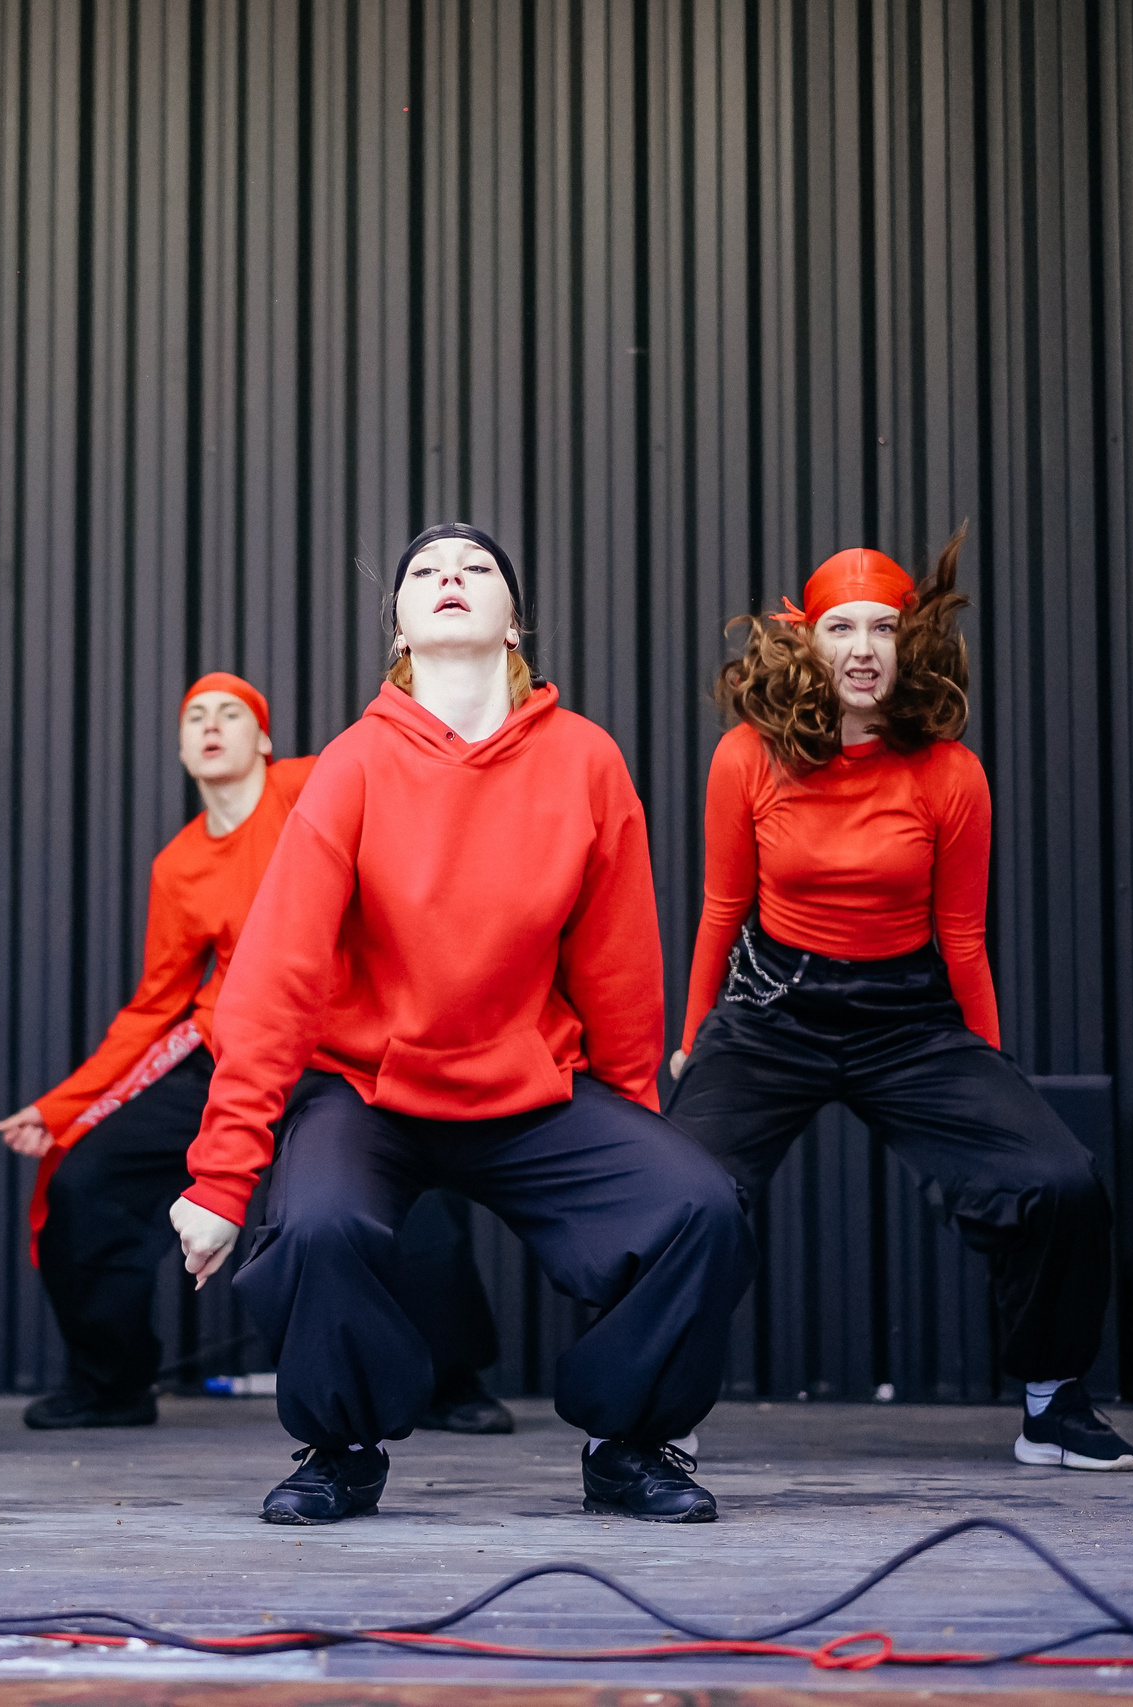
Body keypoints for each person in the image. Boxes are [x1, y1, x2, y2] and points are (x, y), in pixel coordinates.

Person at [169, 524, 756, 1526]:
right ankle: (342, 1449)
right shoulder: (352, 767)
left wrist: (634, 1134)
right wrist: (223, 1175)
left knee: (697, 1206)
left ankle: (627, 1443)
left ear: (511, 619)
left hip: (529, 1089)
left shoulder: (584, 760)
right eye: (425, 572)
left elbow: (617, 966)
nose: (450, 579)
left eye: (475, 568)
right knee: (320, 1224)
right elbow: (277, 977)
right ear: (398, 625)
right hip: (371, 1091)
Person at [662, 529, 1133, 1472]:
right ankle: (655, 1414)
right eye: (842, 627)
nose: (864, 647)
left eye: (884, 627)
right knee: (679, 1195)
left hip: (908, 1018)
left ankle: (1052, 1401)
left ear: (910, 641)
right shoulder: (746, 760)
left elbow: (963, 936)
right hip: (773, 1011)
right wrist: (687, 1042)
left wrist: (992, 1062)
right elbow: (722, 906)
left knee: (1060, 1181)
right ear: (808, 641)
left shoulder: (950, 773)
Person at [0, 674, 512, 1433]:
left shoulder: (311, 785)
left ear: (263, 739)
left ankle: (451, 1383)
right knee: (84, 1182)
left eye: (230, 714)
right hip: (232, 1044)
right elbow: (154, 1004)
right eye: (195, 717)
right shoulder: (178, 865)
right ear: (181, 748)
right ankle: (111, 1383)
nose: (211, 726)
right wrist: (61, 1106)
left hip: (340, 1042)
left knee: (410, 1188)